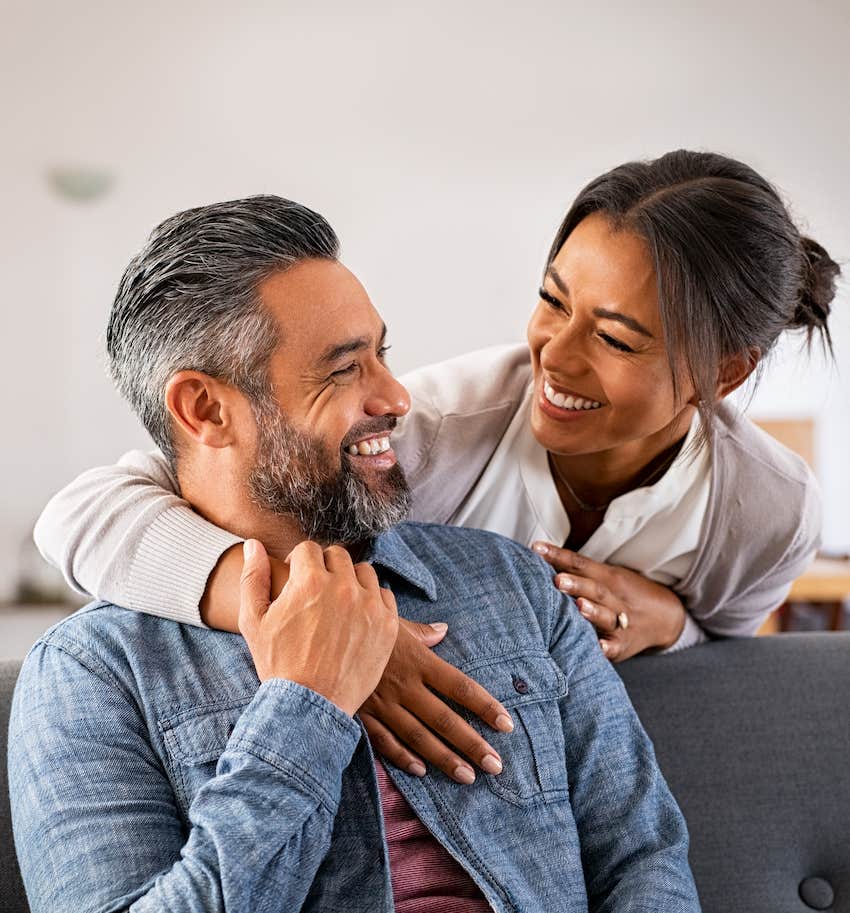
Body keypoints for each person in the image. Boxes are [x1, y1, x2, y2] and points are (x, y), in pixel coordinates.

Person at [9, 197, 718, 913]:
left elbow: (645, 865)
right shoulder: (92, 674)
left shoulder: (513, 585)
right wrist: (303, 708)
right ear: (205, 408)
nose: (396, 397)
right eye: (345, 369)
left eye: (383, 354)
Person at [34, 149, 839, 785]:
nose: (553, 356)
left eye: (616, 338)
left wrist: (673, 624)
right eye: (552, 300)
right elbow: (82, 515)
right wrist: (328, 625)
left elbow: (728, 660)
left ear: (723, 375)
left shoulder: (766, 511)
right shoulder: (436, 429)